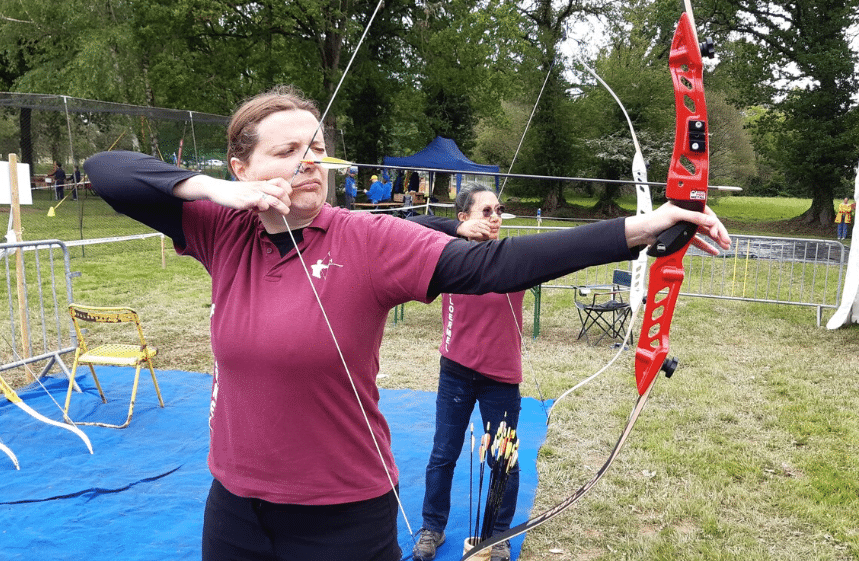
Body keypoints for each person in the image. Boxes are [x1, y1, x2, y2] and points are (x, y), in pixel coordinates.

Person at [83, 85, 730, 561]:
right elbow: (107, 172)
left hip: (343, 517)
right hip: (234, 514)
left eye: (319, 150)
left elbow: (493, 266)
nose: (310, 162)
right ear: (242, 167)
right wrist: (225, 196)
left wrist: (639, 230)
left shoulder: (369, 238)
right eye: (287, 152)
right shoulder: (222, 228)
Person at [407, 184, 522, 561]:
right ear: (463, 218)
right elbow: (410, 224)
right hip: (455, 371)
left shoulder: (512, 256)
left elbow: (573, 250)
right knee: (444, 453)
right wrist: (456, 232)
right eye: (485, 212)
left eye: (498, 211)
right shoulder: (448, 254)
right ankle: (432, 528)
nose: (494, 218)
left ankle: (498, 534)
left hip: (501, 377)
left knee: (502, 459)